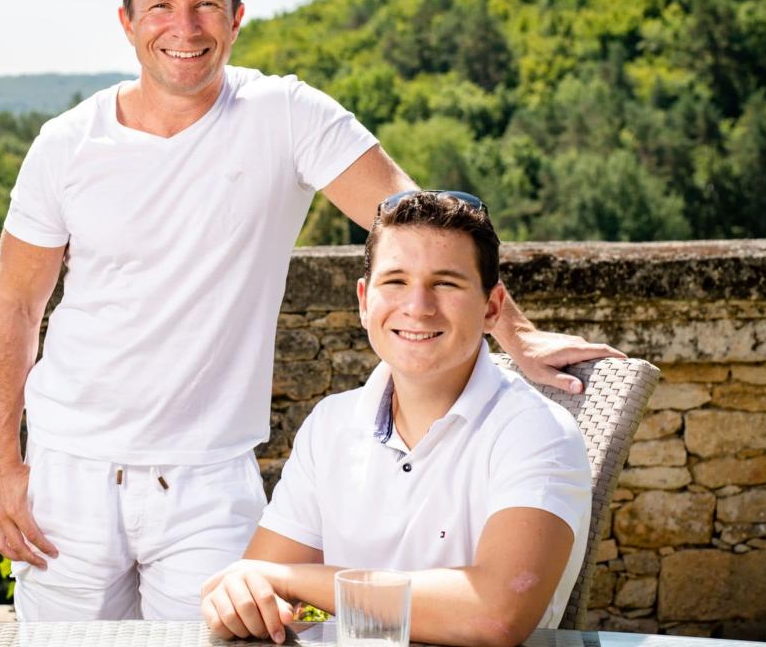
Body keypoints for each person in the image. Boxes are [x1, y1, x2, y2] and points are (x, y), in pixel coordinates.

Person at [0, 0, 619, 621]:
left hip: (208, 482)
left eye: (206, 7)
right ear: (127, 21)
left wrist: (516, 333)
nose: (184, 28)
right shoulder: (65, 145)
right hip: (68, 475)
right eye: (161, 6)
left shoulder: (285, 115)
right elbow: (14, 305)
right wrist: (3, 468)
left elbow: (423, 228)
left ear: (238, 17)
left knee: (231, 638)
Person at [200, 190, 591, 647]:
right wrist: (248, 598)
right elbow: (269, 598)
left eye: (445, 283)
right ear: (365, 301)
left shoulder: (537, 433)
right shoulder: (331, 424)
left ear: (491, 307)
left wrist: (292, 581)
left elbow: (495, 615)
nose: (417, 307)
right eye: (396, 281)